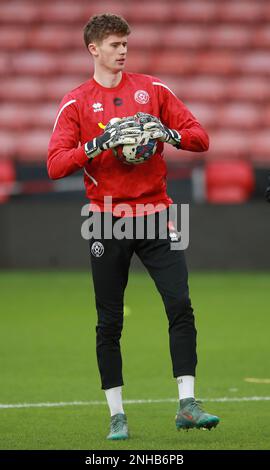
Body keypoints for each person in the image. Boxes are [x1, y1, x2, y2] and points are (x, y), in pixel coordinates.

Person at [47, 13, 220, 440]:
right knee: (109, 322)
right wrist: (95, 144)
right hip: (105, 217)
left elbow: (200, 137)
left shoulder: (154, 90)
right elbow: (54, 164)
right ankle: (117, 415)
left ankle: (187, 405)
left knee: (180, 305)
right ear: (94, 49)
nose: (122, 51)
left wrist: (168, 133)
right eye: (114, 44)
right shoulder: (76, 102)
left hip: (160, 214)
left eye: (125, 43)